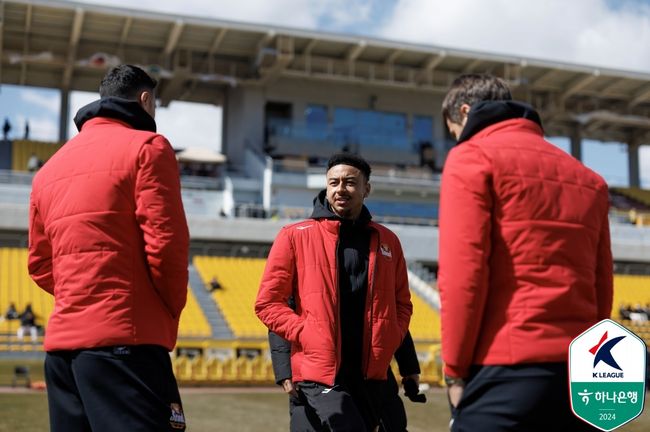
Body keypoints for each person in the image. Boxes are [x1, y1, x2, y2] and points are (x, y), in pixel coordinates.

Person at [438, 73, 612, 432]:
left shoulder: (471, 157)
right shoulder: (589, 178)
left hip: (506, 366)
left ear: (466, 112)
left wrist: (454, 372)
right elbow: (601, 285)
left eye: (454, 130)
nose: (456, 139)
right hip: (579, 372)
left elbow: (462, 278)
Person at [28, 64, 189, 432]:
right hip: (126, 343)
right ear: (145, 100)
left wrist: (83, 289)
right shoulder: (149, 147)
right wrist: (167, 308)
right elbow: (166, 246)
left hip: (62, 353)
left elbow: (39, 264)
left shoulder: (49, 169)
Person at [256, 153, 413, 432]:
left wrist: (394, 335)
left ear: (367, 189)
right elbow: (270, 304)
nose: (341, 189)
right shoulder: (294, 235)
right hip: (319, 373)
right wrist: (305, 334)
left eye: (350, 182)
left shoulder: (388, 241)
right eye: (334, 182)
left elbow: (400, 304)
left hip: (372, 375)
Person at [268, 299, 424, 432]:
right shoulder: (304, 265)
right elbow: (281, 308)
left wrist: (409, 366)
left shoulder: (377, 264)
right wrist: (284, 370)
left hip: (371, 368)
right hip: (315, 369)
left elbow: (389, 314)